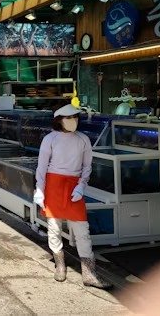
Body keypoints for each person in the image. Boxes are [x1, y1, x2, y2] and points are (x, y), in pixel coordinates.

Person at [34, 104, 111, 289]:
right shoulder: (50, 139)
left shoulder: (83, 139)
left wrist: (81, 187)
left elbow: (87, 167)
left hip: (74, 186)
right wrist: (40, 189)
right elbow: (42, 166)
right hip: (53, 185)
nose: (73, 121)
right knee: (54, 227)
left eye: (76, 117)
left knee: (82, 230)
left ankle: (89, 274)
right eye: (69, 118)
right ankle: (60, 265)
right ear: (59, 120)